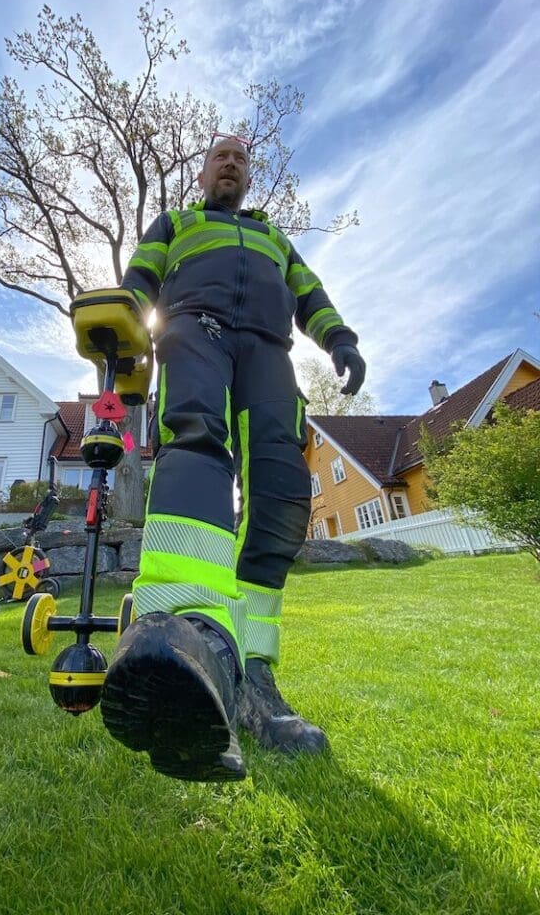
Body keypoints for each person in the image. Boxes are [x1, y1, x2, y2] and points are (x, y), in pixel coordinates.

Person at [99, 133, 366, 782]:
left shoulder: (274, 239)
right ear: (202, 172)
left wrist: (340, 340)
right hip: (195, 328)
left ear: (248, 178)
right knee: (195, 442)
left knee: (278, 497)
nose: (231, 163)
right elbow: (140, 278)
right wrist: (123, 319)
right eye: (221, 155)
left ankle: (253, 680)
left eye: (241, 159)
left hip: (271, 356)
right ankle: (185, 639)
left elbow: (311, 294)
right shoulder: (179, 223)